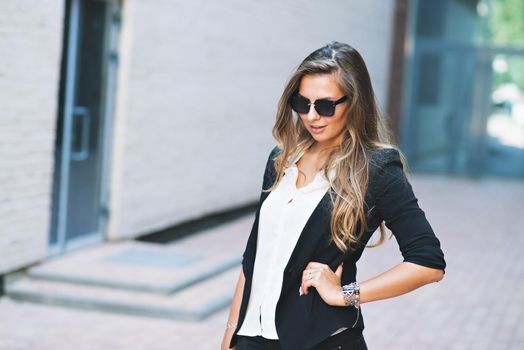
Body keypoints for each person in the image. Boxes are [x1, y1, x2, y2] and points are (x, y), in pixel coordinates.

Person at [220, 41, 446, 350]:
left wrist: (345, 294)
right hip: (251, 339)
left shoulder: (377, 170)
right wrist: (230, 335)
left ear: (354, 103)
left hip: (322, 341)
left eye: (326, 106)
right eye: (302, 104)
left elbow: (428, 263)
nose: (312, 116)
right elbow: (253, 259)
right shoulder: (280, 160)